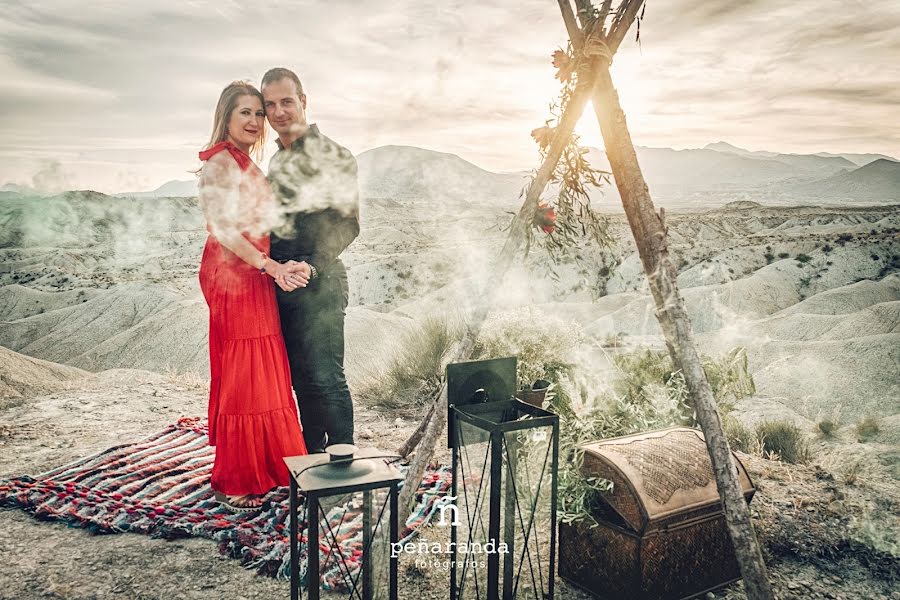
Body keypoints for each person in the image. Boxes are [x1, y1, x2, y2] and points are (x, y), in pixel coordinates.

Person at [197, 81, 309, 512]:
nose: (254, 121)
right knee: (246, 371)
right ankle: (238, 480)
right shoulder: (220, 162)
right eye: (245, 112)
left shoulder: (244, 160)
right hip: (235, 274)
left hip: (255, 272)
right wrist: (270, 267)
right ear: (226, 116)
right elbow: (224, 230)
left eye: (258, 114)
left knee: (262, 367)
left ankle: (269, 465)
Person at [260, 68, 360, 453]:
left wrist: (313, 266)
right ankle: (311, 461)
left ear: (304, 100)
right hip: (283, 283)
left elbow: (348, 224)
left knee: (326, 379)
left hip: (321, 282)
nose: (279, 112)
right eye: (270, 105)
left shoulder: (334, 156)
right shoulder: (277, 161)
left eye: (287, 101)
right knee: (299, 380)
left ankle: (343, 469)